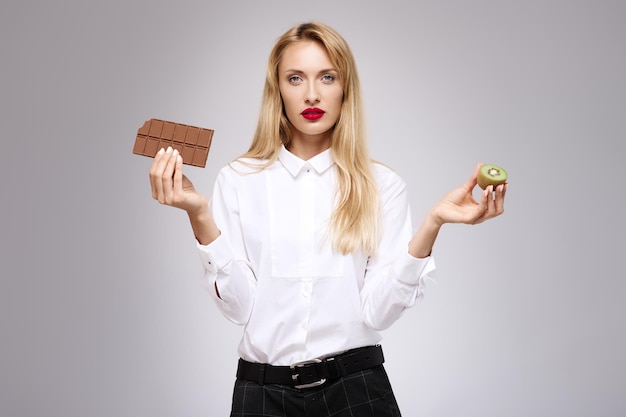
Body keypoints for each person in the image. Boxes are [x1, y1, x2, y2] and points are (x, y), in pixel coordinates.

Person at [148, 21, 506, 417]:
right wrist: (199, 213)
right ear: (278, 89)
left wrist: (433, 222)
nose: (312, 94)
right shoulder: (238, 179)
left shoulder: (383, 185)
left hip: (355, 392)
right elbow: (240, 310)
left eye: (327, 77)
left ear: (345, 88)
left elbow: (378, 313)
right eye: (296, 78)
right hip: (262, 396)